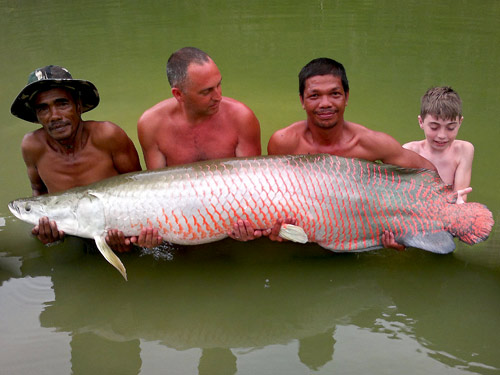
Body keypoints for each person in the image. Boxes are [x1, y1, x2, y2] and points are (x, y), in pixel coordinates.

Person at [267, 58, 438, 250]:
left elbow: (429, 173)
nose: (325, 103)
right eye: (314, 96)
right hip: (306, 240)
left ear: (346, 97)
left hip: (359, 233)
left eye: (334, 94)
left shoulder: (371, 143)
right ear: (302, 100)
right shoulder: (284, 142)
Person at [11, 65, 160, 252]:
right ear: (37, 115)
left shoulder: (108, 136)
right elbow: (38, 192)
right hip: (71, 236)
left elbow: (141, 189)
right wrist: (45, 228)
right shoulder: (32, 146)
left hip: (120, 230)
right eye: (43, 109)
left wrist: (134, 236)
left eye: (62, 104)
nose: (54, 116)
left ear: (78, 106)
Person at [137, 47, 268, 241]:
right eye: (206, 91)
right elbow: (159, 194)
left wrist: (251, 227)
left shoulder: (241, 118)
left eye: (219, 85)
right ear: (179, 94)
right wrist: (152, 235)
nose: (218, 96)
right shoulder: (151, 125)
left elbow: (253, 188)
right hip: (183, 219)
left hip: (233, 221)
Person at [403, 86, 474, 201]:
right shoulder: (409, 151)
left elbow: (460, 194)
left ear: (460, 122)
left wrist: (460, 203)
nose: (442, 135)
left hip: (448, 208)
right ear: (421, 122)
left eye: (450, 128)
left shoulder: (464, 150)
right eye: (434, 127)